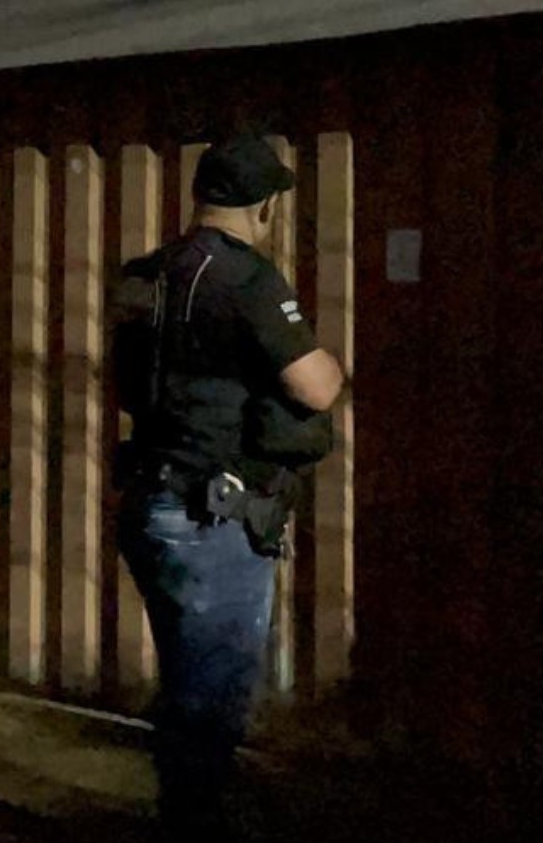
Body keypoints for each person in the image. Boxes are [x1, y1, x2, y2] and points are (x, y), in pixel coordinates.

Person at [111, 134, 345, 841]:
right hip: (211, 519)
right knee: (211, 702)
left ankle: (182, 811)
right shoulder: (247, 279)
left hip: (151, 505)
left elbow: (127, 381)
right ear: (264, 205)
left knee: (186, 684)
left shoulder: (144, 275)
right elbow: (316, 386)